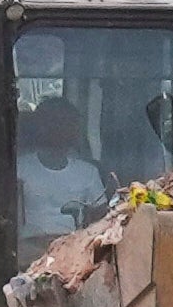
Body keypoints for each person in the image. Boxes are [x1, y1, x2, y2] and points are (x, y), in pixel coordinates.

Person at [16, 95, 110, 241]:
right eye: (52, 122)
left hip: (76, 249)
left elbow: (101, 221)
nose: (58, 129)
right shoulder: (18, 168)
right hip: (26, 251)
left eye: (65, 123)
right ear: (39, 127)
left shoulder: (89, 172)